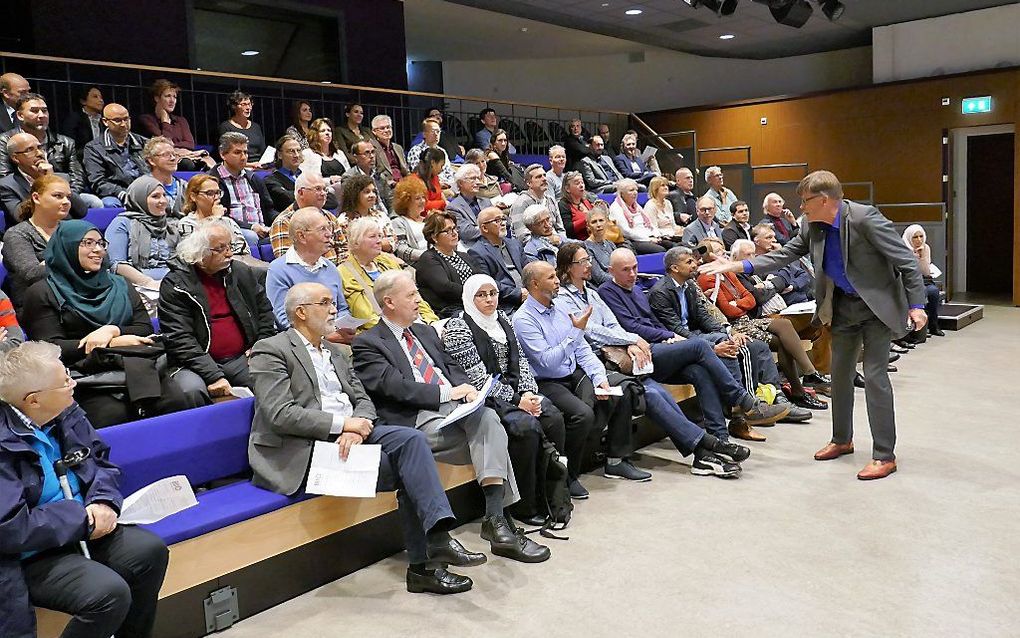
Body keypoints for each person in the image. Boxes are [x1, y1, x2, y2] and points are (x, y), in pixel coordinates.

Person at [249, 282, 483, 595]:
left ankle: (434, 546)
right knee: (406, 468)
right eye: (326, 303)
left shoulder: (336, 351)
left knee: (411, 441)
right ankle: (426, 561)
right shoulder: (271, 350)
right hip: (305, 450)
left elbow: (363, 399)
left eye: (334, 302)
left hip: (352, 435)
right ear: (301, 312)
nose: (335, 309)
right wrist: (343, 424)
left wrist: (357, 425)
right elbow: (281, 414)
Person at [701, 170, 927, 480]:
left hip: (877, 308)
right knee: (841, 376)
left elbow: (906, 261)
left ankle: (884, 454)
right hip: (842, 307)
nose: (801, 207)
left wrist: (917, 305)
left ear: (824, 200)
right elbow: (783, 255)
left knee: (875, 377)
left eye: (806, 201)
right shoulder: (810, 225)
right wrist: (737, 265)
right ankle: (841, 439)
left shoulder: (865, 219)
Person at [353, 270, 550, 563]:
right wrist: (448, 394)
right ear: (389, 302)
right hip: (417, 418)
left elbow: (450, 366)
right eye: (411, 295)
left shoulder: (426, 331)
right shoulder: (368, 343)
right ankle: (502, 524)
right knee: (494, 434)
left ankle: (495, 520)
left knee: (489, 420)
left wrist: (468, 389)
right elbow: (393, 387)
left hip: (455, 411)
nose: (419, 299)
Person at [0, 341, 169, 638]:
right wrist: (83, 520)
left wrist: (103, 502)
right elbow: (10, 527)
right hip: (32, 552)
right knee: (108, 593)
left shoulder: (66, 411)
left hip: (84, 527)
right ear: (33, 400)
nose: (73, 383)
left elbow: (99, 461)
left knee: (149, 552)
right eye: (64, 381)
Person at [555, 244, 751, 477]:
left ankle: (713, 446)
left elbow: (613, 325)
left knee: (696, 372)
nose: (589, 264)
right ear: (568, 268)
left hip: (627, 354)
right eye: (583, 261)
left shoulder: (593, 293)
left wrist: (630, 342)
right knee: (658, 386)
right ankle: (716, 435)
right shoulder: (564, 299)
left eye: (589, 259)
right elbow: (591, 330)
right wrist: (634, 339)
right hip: (600, 362)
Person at [596, 247, 791, 441]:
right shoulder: (608, 291)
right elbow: (631, 326)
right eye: (625, 270)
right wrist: (669, 335)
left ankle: (720, 438)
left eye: (635, 267)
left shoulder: (639, 289)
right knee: (701, 346)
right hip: (644, 352)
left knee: (701, 371)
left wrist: (720, 331)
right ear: (611, 270)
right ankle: (742, 402)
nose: (633, 273)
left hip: (661, 345)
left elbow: (656, 321)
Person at [21, 220, 189, 426]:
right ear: (67, 246)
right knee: (112, 415)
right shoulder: (42, 292)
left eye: (101, 243)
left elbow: (144, 327)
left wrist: (112, 331)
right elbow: (51, 347)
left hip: (136, 364)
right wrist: (109, 344)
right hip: (83, 374)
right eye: (88, 243)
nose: (98, 250)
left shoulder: (120, 284)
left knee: (175, 402)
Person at [512, 261, 646, 498]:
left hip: (573, 372)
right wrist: (575, 332)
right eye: (551, 277)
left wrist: (599, 377)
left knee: (616, 390)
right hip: (547, 381)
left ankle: (613, 461)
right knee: (582, 414)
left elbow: (582, 350)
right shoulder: (523, 319)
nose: (557, 281)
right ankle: (567, 475)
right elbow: (547, 362)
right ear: (534, 284)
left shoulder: (561, 307)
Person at [443, 274, 567, 522]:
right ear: (470, 297)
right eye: (482, 295)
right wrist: (517, 401)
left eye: (493, 293)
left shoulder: (503, 320)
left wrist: (529, 393)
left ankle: (554, 492)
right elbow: (476, 378)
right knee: (525, 427)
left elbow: (521, 362)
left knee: (552, 415)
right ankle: (524, 505)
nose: (489, 300)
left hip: (516, 392)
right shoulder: (458, 328)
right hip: (484, 398)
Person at [649, 246, 818, 424]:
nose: (695, 264)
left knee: (756, 344)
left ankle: (775, 396)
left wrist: (728, 331)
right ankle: (748, 408)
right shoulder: (661, 292)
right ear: (675, 268)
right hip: (680, 340)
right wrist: (725, 336)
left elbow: (708, 314)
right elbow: (677, 329)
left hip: (706, 331)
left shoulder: (689, 285)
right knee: (739, 346)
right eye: (689, 261)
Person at [700, 237, 829, 411]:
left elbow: (751, 299)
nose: (722, 255)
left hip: (748, 319)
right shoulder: (707, 278)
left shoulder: (729, 273)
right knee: (785, 339)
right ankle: (802, 386)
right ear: (708, 256)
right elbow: (729, 311)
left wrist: (736, 303)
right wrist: (739, 303)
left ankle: (807, 378)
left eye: (723, 251)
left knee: (785, 327)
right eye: (717, 252)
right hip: (733, 326)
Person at [159, 219, 276, 407]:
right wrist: (213, 375)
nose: (229, 253)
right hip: (192, 363)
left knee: (272, 379)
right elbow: (180, 339)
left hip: (241, 356)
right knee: (190, 391)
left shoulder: (241, 272)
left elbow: (264, 313)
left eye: (230, 246)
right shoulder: (176, 284)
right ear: (200, 254)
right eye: (221, 249)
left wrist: (260, 346)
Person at [265, 208, 355, 339]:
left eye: (329, 228)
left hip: (336, 337)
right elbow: (285, 320)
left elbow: (342, 308)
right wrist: (325, 337)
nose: (329, 234)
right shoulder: (278, 270)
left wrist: (345, 326)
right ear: (301, 236)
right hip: (302, 343)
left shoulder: (330, 267)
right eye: (322, 229)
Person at [341, 217, 437, 331]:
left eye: (379, 236)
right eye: (372, 236)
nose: (378, 241)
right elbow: (367, 317)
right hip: (387, 332)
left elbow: (414, 296)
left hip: (417, 324)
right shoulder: (345, 273)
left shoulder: (387, 261)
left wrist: (432, 322)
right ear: (356, 241)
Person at [0, 94, 94, 211]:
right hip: (24, 194)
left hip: (64, 192)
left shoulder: (65, 142)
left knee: (93, 203)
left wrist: (62, 195)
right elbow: (4, 175)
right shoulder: (5, 140)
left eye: (44, 111)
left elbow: (77, 178)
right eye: (34, 111)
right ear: (20, 115)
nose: (41, 115)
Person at [2, 174, 72, 306]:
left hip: (75, 298)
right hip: (37, 306)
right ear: (36, 198)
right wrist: (76, 261)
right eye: (58, 196)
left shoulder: (72, 229)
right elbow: (33, 274)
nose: (66, 201)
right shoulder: (17, 234)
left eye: (68, 197)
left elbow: (103, 260)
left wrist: (49, 263)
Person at [0, 132, 89, 230]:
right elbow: (19, 217)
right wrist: (43, 182)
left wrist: (52, 180)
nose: (39, 153)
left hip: (64, 233)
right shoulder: (6, 185)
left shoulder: (61, 179)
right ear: (15, 158)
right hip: (30, 237)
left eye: (40, 148)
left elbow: (81, 211)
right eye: (30, 150)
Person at [177, 174, 263, 269]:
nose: (217, 197)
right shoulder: (187, 224)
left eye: (218, 192)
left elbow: (243, 249)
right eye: (210, 193)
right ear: (193, 196)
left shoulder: (227, 221)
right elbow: (198, 255)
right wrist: (215, 219)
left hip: (239, 265)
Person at [105, 176, 178, 284]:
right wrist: (149, 283)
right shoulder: (122, 223)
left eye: (164, 195)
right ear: (140, 198)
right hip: (136, 285)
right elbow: (117, 265)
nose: (163, 201)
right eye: (155, 196)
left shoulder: (170, 225)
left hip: (171, 284)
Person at [209, 131, 276, 243]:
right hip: (233, 230)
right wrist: (251, 227)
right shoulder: (212, 180)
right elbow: (219, 215)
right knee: (251, 236)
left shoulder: (254, 179)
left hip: (262, 229)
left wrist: (282, 221)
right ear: (222, 154)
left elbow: (269, 210)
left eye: (245, 152)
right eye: (237, 152)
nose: (243, 157)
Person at [414, 212, 481, 318]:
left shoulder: (464, 256)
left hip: (474, 304)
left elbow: (481, 277)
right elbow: (445, 287)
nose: (454, 233)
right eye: (447, 231)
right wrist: (477, 294)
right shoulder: (428, 259)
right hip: (450, 311)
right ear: (434, 236)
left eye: (454, 228)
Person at [269, 171, 345, 264]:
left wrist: (339, 271)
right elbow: (287, 263)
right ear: (301, 192)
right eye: (317, 189)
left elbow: (344, 249)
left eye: (325, 189)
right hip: (305, 276)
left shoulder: (330, 217)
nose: (323, 194)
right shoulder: (283, 222)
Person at [82, 103, 148, 207]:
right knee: (110, 204)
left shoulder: (144, 143)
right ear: (105, 122)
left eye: (126, 119)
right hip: (116, 194)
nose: (123, 124)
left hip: (146, 190)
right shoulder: (94, 148)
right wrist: (121, 193)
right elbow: (98, 182)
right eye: (117, 120)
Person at [137, 79, 213, 171]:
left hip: (186, 155)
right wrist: (165, 121)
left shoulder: (181, 121)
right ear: (157, 98)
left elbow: (190, 144)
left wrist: (174, 144)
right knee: (188, 164)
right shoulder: (147, 119)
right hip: (164, 158)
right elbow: (165, 143)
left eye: (175, 97)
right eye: (168, 96)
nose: (172, 100)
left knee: (210, 164)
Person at [469, 207, 528, 312]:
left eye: (503, 219)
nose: (503, 223)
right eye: (497, 220)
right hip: (507, 306)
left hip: (530, 296)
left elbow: (528, 269)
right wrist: (519, 294)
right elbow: (488, 284)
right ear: (485, 228)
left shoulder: (514, 244)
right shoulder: (477, 252)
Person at [264, 135, 340, 212]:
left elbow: (332, 201)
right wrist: (316, 198)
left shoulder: (307, 176)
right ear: (280, 155)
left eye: (299, 150)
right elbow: (288, 200)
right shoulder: (271, 180)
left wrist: (308, 197)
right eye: (291, 151)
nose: (296, 155)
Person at [750, 225, 814, 305]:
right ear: (757, 241)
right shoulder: (756, 263)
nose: (774, 240)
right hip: (783, 304)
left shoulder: (777, 256)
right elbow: (780, 281)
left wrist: (792, 286)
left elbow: (803, 275)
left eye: (774, 237)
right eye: (769, 238)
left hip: (802, 299)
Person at [902, 224, 945, 338]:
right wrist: (914, 256)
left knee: (933, 291)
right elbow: (908, 271)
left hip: (924, 279)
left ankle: (933, 325)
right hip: (908, 281)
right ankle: (917, 329)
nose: (919, 240)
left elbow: (925, 271)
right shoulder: (903, 249)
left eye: (921, 236)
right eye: (915, 237)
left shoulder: (926, 248)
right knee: (922, 293)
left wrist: (922, 257)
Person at [610, 178, 671, 253]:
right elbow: (626, 231)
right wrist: (648, 239)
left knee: (671, 245)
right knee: (660, 250)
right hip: (633, 240)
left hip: (647, 236)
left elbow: (650, 224)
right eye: (631, 190)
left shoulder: (637, 206)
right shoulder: (616, 207)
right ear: (622, 193)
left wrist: (657, 235)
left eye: (636, 190)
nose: (635, 193)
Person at [339, 174, 394, 253]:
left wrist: (367, 244)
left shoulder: (381, 216)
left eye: (374, 191)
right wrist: (381, 243)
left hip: (387, 259)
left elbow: (392, 243)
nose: (372, 195)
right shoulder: (344, 220)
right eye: (367, 192)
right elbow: (347, 249)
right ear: (355, 194)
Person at [509, 164, 565, 242]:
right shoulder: (521, 203)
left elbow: (560, 229)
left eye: (544, 175)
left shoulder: (551, 200)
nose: (544, 179)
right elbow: (522, 237)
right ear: (529, 183)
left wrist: (561, 241)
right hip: (533, 250)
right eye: (539, 177)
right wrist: (550, 240)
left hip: (557, 243)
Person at [446, 163, 491, 246]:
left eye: (478, 178)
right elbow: (466, 232)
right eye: (473, 179)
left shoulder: (486, 201)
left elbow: (502, 221)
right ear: (460, 183)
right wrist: (491, 227)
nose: (477, 182)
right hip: (473, 247)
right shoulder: (453, 207)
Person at [141, 136, 188, 216]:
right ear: (151, 160)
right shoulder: (142, 188)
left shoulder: (185, 187)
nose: (173, 158)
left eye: (174, 154)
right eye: (166, 155)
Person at [216, 91, 266, 163]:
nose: (248, 107)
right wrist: (250, 165)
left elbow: (262, 150)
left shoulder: (256, 126)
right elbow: (226, 155)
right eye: (243, 104)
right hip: (239, 166)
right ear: (234, 106)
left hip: (259, 165)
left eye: (249, 104)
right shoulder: (225, 127)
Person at [343, 139, 392, 212]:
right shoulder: (349, 178)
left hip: (385, 216)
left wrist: (393, 216)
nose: (372, 156)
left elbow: (390, 200)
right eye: (367, 153)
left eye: (373, 152)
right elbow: (352, 204)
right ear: (356, 157)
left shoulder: (380, 175)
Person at [406, 117, 455, 188]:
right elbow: (419, 174)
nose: (436, 134)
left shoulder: (442, 151)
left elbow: (449, 172)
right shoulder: (416, 150)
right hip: (428, 186)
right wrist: (438, 183)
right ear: (424, 134)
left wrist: (450, 183)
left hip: (447, 185)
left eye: (438, 132)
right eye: (433, 131)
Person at [390, 176, 429, 264]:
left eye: (423, 197)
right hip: (419, 264)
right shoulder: (398, 222)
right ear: (406, 202)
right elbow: (401, 250)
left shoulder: (428, 220)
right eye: (417, 198)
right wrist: (427, 256)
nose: (422, 201)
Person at [584, 203, 623, 286]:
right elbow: (599, 277)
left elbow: (621, 265)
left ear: (606, 222)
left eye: (601, 220)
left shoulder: (610, 244)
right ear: (588, 226)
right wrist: (621, 278)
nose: (598, 225)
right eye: (594, 222)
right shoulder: (586, 247)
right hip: (605, 287)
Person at [305, 117, 351, 189]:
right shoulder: (308, 154)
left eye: (329, 131)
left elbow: (349, 174)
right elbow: (306, 180)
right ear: (315, 134)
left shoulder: (339, 153)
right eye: (323, 131)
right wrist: (329, 180)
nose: (327, 133)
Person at [61, 85, 105, 153]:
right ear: (83, 101)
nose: (101, 100)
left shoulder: (103, 121)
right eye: (95, 97)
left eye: (101, 97)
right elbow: (70, 145)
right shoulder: (74, 119)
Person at [559, 170, 598, 240]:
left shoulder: (587, 200)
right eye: (577, 183)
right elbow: (568, 229)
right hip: (579, 242)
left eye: (582, 182)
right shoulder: (563, 205)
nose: (581, 185)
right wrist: (587, 219)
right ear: (567, 189)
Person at [643, 175, 683, 242]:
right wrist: (671, 233)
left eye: (666, 185)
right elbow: (653, 229)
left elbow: (673, 225)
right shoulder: (650, 205)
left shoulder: (668, 203)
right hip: (662, 238)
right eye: (663, 185)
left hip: (673, 235)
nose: (666, 187)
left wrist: (680, 229)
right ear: (655, 189)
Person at [407, 146, 447, 212]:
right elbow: (422, 205)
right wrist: (443, 203)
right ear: (433, 163)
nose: (442, 169)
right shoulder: (414, 180)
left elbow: (440, 195)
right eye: (441, 166)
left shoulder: (435, 177)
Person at [371, 114, 409, 182]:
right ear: (374, 131)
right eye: (382, 128)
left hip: (403, 183)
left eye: (388, 127)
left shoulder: (398, 148)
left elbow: (406, 170)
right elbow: (374, 172)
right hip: (385, 185)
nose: (386, 130)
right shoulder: (372, 147)